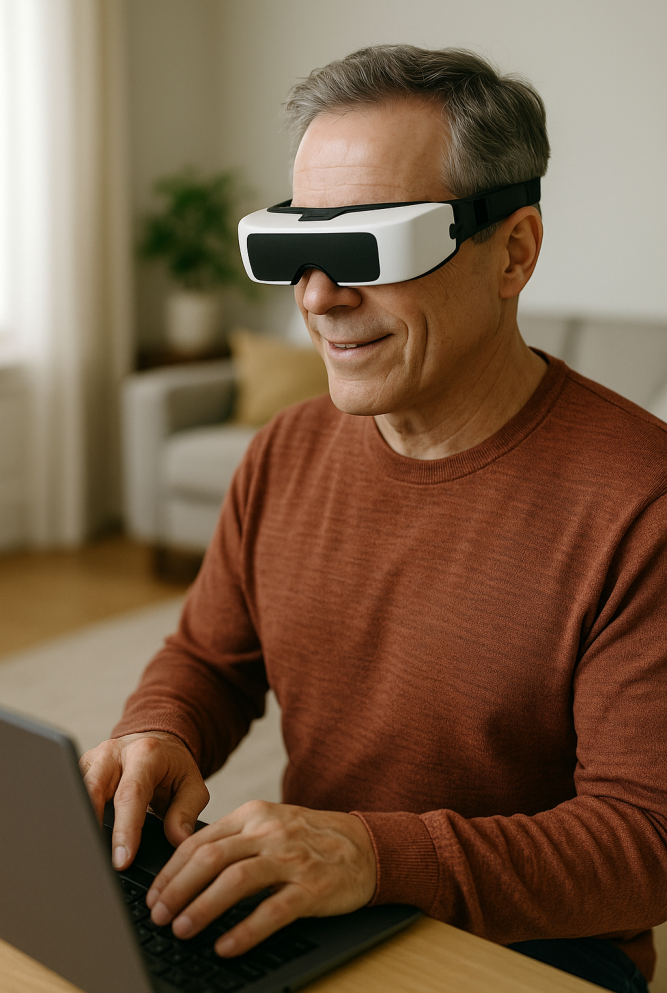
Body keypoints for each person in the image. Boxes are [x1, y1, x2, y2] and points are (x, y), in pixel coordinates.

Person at [81, 46, 667, 993]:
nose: (317, 295)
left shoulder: (641, 501)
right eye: (294, 248)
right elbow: (209, 658)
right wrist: (162, 730)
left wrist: (374, 855)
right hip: (314, 919)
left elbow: (646, 839)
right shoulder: (283, 451)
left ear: (512, 250)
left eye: (369, 250)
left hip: (534, 949)